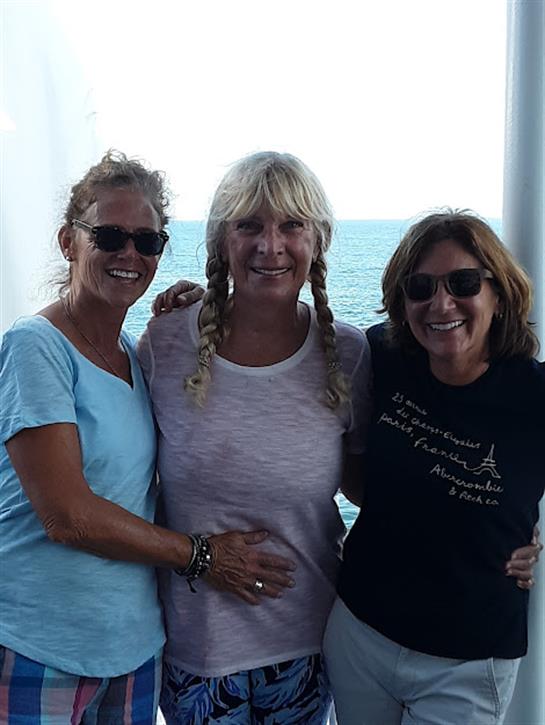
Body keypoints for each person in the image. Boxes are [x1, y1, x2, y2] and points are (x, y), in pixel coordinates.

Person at [0, 151, 294, 724]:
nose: (129, 255)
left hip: (134, 652)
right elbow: (68, 516)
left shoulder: (135, 356)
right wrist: (202, 556)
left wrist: (203, 312)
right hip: (40, 646)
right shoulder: (36, 347)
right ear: (69, 242)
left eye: (147, 241)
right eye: (109, 237)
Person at [137, 151, 373, 724]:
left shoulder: (349, 353)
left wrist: (497, 523)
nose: (271, 246)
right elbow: (125, 479)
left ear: (318, 240)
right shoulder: (165, 344)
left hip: (311, 646)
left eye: (291, 225)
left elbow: (372, 488)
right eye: (249, 225)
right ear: (222, 242)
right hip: (195, 652)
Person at [323, 210, 545, 724]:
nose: (441, 304)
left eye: (463, 283)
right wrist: (204, 303)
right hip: (361, 633)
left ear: (498, 293)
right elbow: (284, 332)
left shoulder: (534, 396)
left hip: (468, 662)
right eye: (420, 287)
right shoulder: (381, 356)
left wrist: (531, 536)